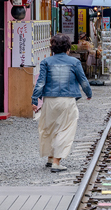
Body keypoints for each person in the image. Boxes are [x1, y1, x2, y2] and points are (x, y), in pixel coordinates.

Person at [32, 33, 91, 173]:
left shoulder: (46, 62)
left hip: (49, 101)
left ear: (52, 48)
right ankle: (57, 163)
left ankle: (50, 157)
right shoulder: (74, 62)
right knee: (65, 129)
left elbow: (40, 83)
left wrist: (35, 100)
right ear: (68, 48)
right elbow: (83, 80)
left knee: (49, 128)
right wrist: (88, 93)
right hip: (67, 100)